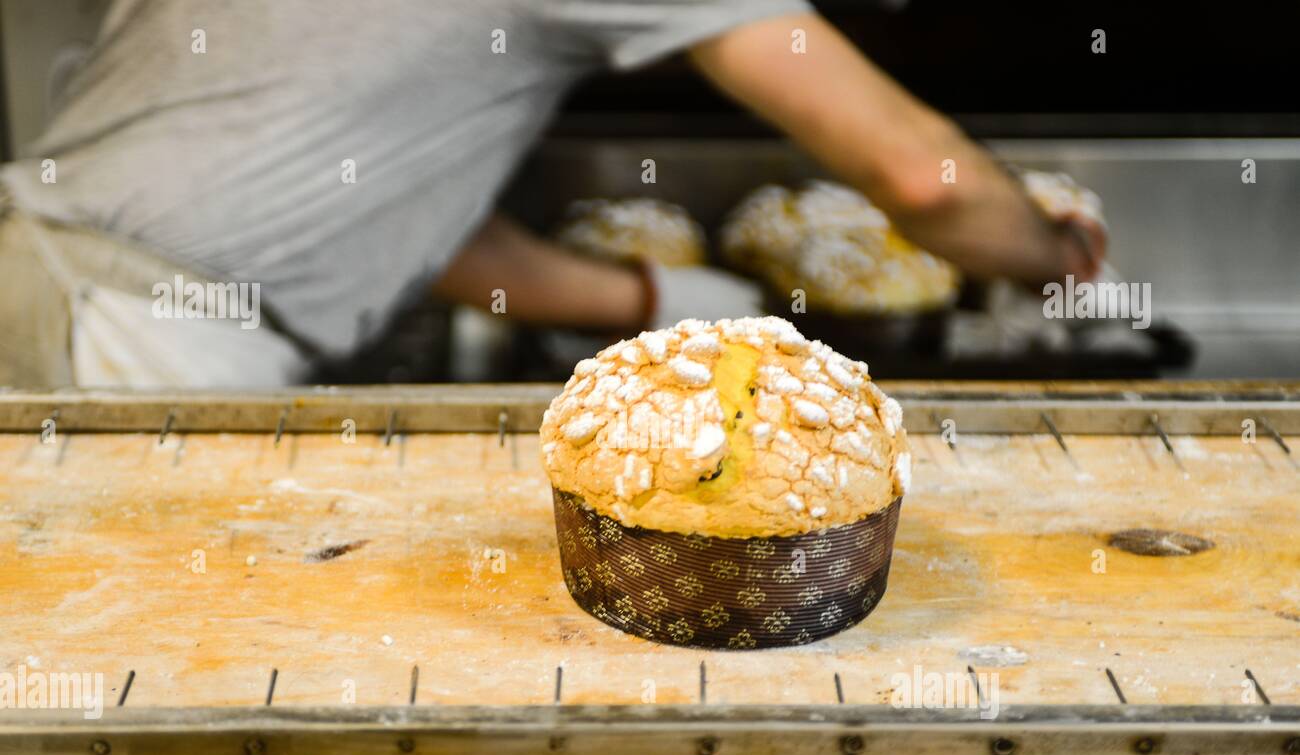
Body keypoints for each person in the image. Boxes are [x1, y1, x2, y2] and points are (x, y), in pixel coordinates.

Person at [0, 1, 1104, 389]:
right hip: (129, 342)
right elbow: (918, 174)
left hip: (42, 275)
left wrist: (652, 300)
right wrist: (1051, 257)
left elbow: (385, 210)